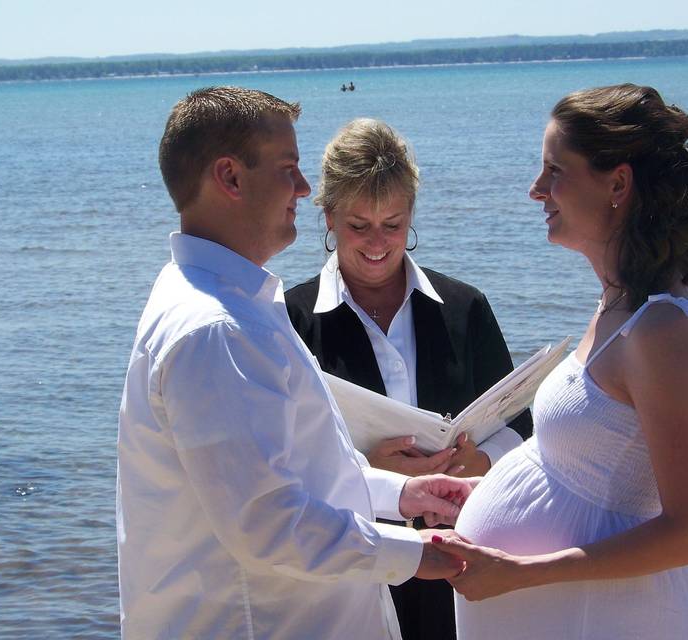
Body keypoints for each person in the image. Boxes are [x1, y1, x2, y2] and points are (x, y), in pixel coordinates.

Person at [116, 86, 474, 640]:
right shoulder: (216, 329)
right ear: (230, 178)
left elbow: (300, 476)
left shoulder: (234, 307)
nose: (306, 190)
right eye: (289, 169)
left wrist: (401, 493)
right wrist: (418, 553)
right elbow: (267, 524)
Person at [433, 84, 688, 639]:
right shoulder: (618, 304)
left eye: (554, 171)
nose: (536, 190)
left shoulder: (663, 331)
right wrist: (486, 496)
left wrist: (523, 570)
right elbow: (589, 470)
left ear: (617, 183)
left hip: (606, 616)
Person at [286, 118, 533, 640]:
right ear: (328, 217)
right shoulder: (290, 321)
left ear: (412, 215)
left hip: (462, 552)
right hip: (354, 563)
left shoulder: (465, 307)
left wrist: (481, 460)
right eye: (358, 226)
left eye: (393, 224)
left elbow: (525, 426)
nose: (377, 243)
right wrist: (368, 472)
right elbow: (282, 462)